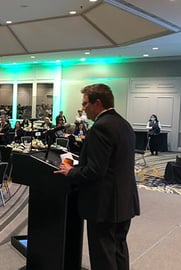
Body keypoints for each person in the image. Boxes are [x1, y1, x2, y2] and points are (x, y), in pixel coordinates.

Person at [54, 83, 140, 270]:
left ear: (97, 103)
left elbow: (95, 170)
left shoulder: (101, 127)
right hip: (124, 201)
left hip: (104, 205)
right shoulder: (124, 124)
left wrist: (71, 171)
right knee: (118, 250)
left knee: (103, 257)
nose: (83, 109)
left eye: (85, 104)